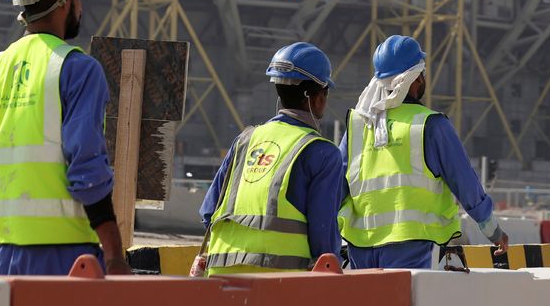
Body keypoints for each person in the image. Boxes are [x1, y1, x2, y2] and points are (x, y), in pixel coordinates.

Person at [0, 0, 131, 276]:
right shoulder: (78, 68)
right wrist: (113, 254)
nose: (81, 4)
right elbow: (87, 166)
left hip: (1, 255)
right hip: (65, 257)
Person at [338, 35, 509, 269]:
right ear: (416, 79)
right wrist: (492, 230)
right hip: (411, 243)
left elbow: (335, 189)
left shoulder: (357, 125)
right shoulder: (431, 125)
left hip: (360, 245)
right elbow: (465, 183)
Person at [196, 42, 343, 276]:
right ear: (316, 98)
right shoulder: (322, 152)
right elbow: (322, 233)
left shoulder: (244, 140)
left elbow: (208, 212)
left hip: (221, 275)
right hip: (281, 280)